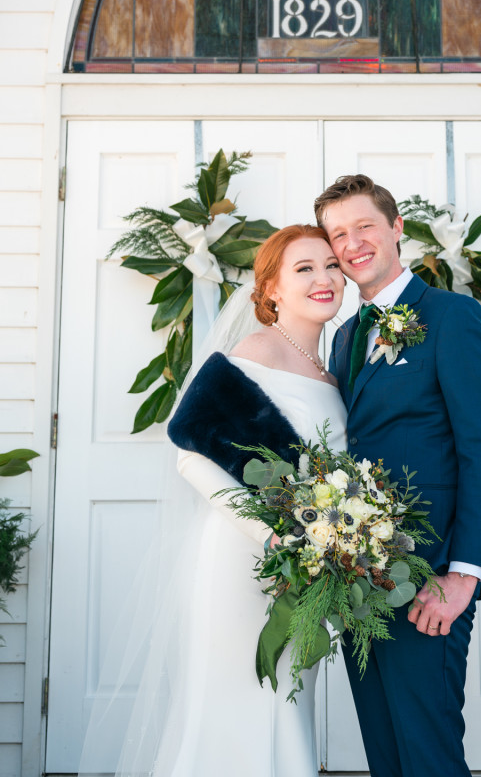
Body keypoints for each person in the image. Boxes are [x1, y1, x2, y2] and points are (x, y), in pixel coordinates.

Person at [82, 224, 346, 777]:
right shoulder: (255, 351)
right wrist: (271, 536)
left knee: (289, 695)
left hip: (310, 563)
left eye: (332, 266)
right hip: (243, 556)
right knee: (234, 699)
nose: (324, 279)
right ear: (271, 289)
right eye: (304, 269)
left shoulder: (336, 369)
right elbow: (192, 455)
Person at [314, 175, 481, 777]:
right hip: (359, 576)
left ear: (397, 228)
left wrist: (464, 574)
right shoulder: (345, 336)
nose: (353, 243)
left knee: (428, 753)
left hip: (431, 575)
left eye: (364, 225)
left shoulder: (451, 315)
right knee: (386, 751)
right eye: (338, 234)